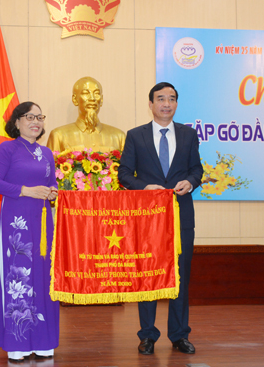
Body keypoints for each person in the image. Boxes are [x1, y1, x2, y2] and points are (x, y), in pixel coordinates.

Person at [118, 82, 203, 355]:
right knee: (148, 275)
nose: (167, 103)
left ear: (176, 104)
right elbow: (124, 175)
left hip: (181, 215)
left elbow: (197, 170)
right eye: (161, 99)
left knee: (180, 275)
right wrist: (144, 188)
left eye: (172, 99)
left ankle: (179, 335)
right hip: (148, 217)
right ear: (151, 104)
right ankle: (147, 335)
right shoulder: (135, 136)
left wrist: (190, 183)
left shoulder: (189, 135)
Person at [0, 101, 60, 362]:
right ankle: (17, 341)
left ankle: (43, 340)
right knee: (19, 277)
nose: (36, 121)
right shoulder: (7, 149)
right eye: (30, 116)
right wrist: (26, 190)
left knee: (43, 275)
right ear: (16, 122)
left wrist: (53, 191)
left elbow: (51, 182)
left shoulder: (47, 152)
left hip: (43, 223)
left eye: (40, 117)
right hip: (16, 222)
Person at [47, 76, 125, 153]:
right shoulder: (59, 135)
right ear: (75, 99)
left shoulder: (118, 137)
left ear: (101, 100)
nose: (92, 98)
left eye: (96, 93)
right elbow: (49, 164)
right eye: (85, 93)